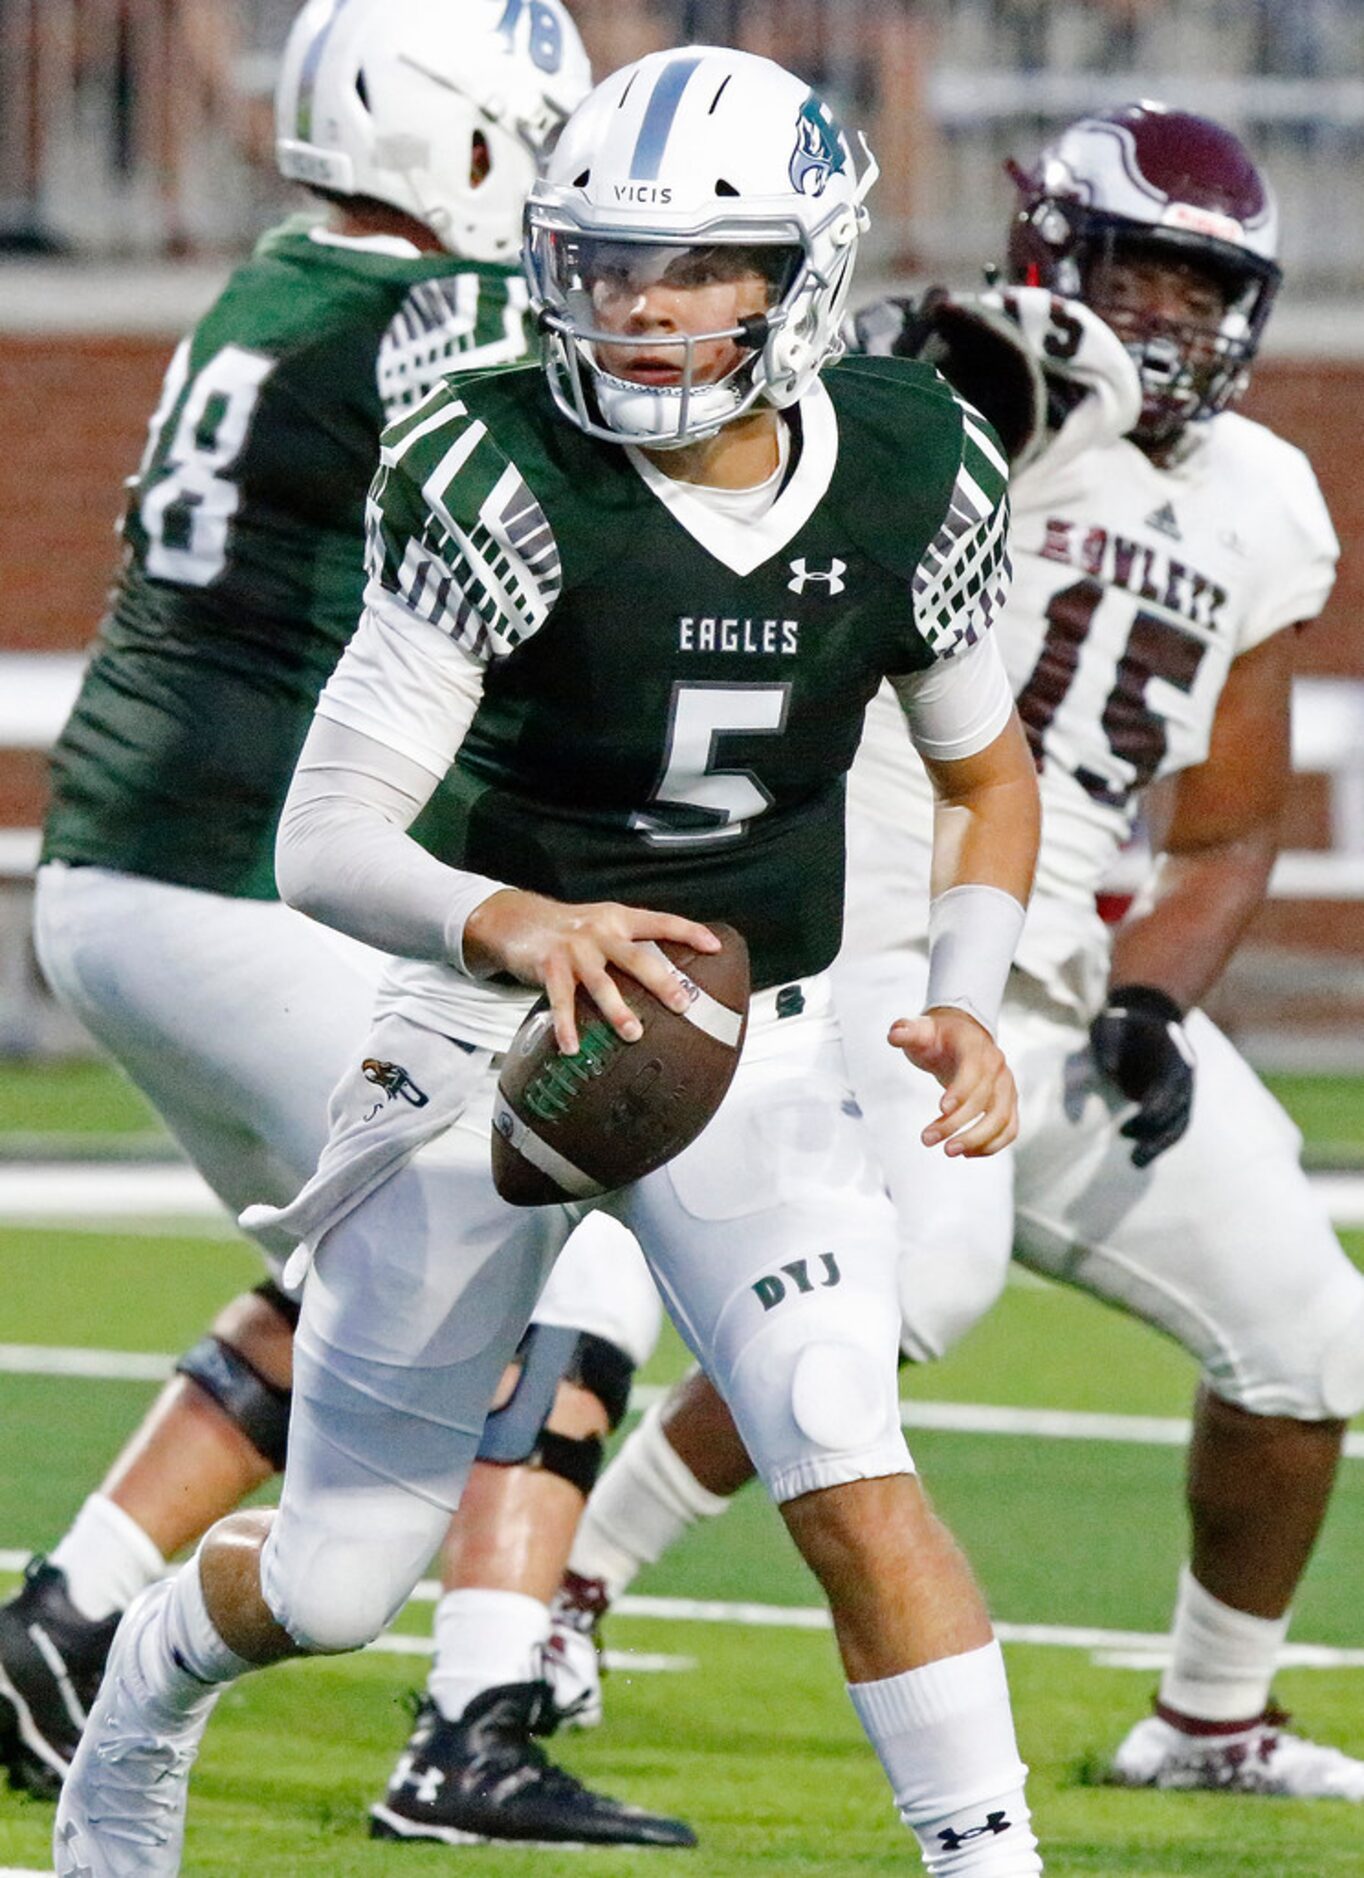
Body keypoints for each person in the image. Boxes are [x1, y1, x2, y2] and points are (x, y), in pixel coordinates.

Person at [54, 44, 1050, 1878]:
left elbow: (989, 773)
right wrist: (525, 920)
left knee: (843, 1439)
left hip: (756, 1029)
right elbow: (328, 835)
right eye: (604, 266)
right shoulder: (489, 457)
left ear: (802, 273)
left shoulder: (914, 458)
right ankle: (146, 1690)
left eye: (695, 271)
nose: (643, 312)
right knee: (347, 1570)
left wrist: (968, 998)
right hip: (479, 1023)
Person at [552, 102, 1364, 1804]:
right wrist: (971, 389)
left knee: (1316, 1340)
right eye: (1142, 270)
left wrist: (1155, 999)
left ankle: (1208, 1718)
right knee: (917, 1281)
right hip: (888, 930)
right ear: (1057, 255)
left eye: (1209, 288)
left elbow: (1225, 828)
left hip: (1062, 985)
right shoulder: (952, 395)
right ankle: (569, 1585)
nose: (1175, 319)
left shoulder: (1266, 499)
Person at [1, 0, 700, 1850]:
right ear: (452, 140)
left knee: (376, 1259)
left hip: (120, 882)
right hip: (238, 885)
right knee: (599, 1188)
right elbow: (618, 446)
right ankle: (479, 1706)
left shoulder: (272, 290)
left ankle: (66, 1614)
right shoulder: (439, 315)